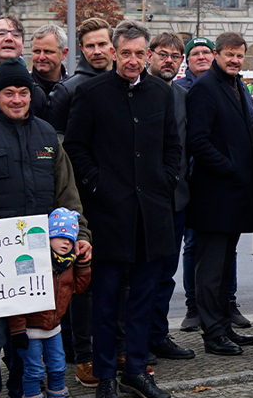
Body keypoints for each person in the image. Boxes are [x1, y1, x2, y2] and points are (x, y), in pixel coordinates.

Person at [0, 63, 90, 398]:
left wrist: (80, 236)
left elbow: (67, 195)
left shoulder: (48, 136)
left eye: (23, 92)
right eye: (9, 92)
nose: (17, 99)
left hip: (36, 260)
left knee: (29, 336)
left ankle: (23, 391)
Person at [63, 21, 183, 398]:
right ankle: (105, 377)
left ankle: (135, 369)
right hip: (109, 214)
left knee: (144, 298)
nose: (133, 60)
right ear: (114, 52)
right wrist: (99, 184)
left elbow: (172, 146)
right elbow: (76, 149)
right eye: (126, 53)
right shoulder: (91, 92)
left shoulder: (161, 93)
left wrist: (165, 179)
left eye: (139, 53)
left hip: (152, 212)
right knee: (106, 299)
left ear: (148, 55)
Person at [183, 30, 253, 358]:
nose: (234, 60)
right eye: (229, 54)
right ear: (216, 54)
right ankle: (212, 333)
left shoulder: (237, 84)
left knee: (224, 265)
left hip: (233, 194)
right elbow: (197, 141)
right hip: (214, 194)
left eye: (239, 55)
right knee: (211, 269)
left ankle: (224, 327)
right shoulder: (204, 88)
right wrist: (230, 168)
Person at [145, 32, 197, 361]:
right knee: (140, 276)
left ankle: (157, 335)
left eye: (175, 56)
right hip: (143, 201)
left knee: (166, 274)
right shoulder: (135, 92)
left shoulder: (182, 95)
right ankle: (135, 340)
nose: (169, 60)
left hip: (175, 200)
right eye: (162, 54)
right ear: (149, 55)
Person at [10, 208, 93, 398]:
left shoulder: (68, 263)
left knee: (58, 367)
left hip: (54, 327)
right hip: (30, 331)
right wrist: (17, 329)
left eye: (70, 239)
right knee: (34, 371)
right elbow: (18, 296)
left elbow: (78, 288)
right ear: (48, 236)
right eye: (60, 236)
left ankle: (58, 394)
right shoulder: (32, 262)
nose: (66, 242)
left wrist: (82, 266)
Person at [43, 16, 114, 134]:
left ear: (113, 45)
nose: (97, 51)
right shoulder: (66, 91)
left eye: (102, 44)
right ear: (82, 49)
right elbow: (54, 138)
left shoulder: (128, 82)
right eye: (90, 46)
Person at [29, 24, 70, 95]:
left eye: (47, 51)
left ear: (64, 54)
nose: (41, 57)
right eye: (37, 51)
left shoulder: (74, 88)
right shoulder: (22, 89)